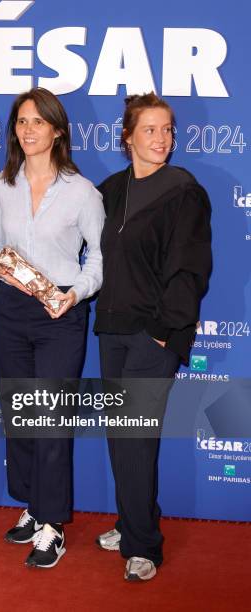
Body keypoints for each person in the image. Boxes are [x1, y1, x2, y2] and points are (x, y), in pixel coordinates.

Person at [94, 93, 212, 581]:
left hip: (153, 335)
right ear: (127, 137)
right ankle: (131, 521)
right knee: (120, 439)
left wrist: (166, 331)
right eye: (150, 129)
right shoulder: (110, 189)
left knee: (136, 438)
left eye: (167, 130)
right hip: (112, 330)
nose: (162, 139)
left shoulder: (183, 189)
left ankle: (144, 546)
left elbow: (191, 268)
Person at [0, 87, 105, 568]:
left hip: (62, 315)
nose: (29, 129)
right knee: (19, 418)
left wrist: (71, 294)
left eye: (39, 121)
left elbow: (98, 259)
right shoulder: (1, 186)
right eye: (22, 121)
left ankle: (53, 525)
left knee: (50, 421)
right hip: (12, 310)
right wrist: (17, 275)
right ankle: (34, 509)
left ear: (58, 130)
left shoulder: (83, 192)